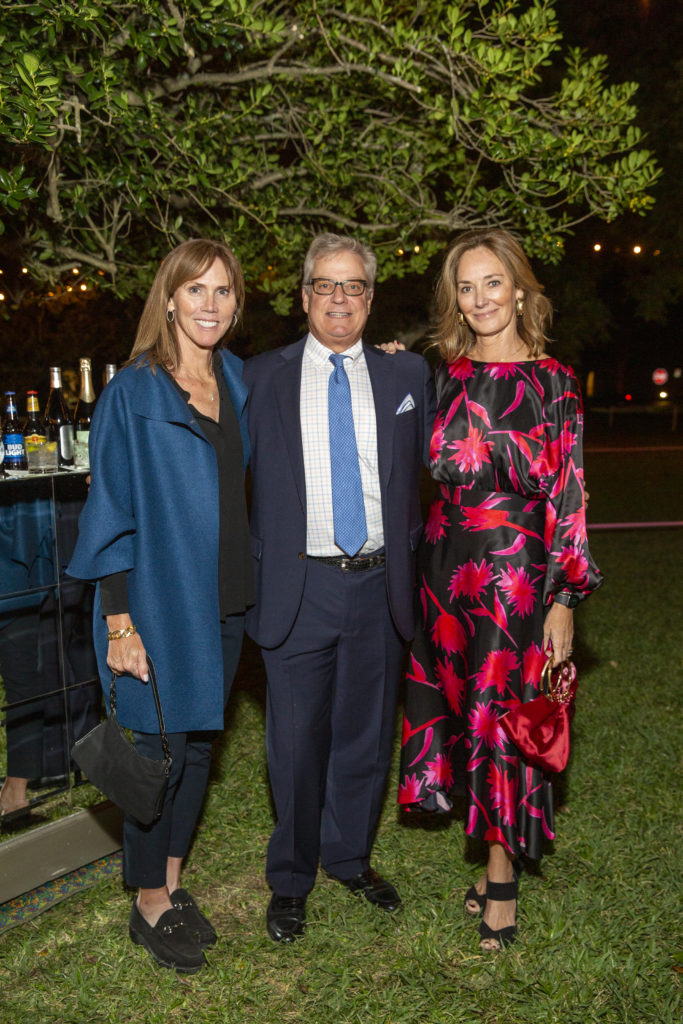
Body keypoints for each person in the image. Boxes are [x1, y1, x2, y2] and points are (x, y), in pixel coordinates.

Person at [398, 228, 603, 951]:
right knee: (463, 714)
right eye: (466, 286)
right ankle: (486, 851)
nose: (480, 298)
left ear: (518, 290)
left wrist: (564, 599)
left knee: (500, 719)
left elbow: (570, 496)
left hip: (514, 574)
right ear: (454, 299)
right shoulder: (441, 376)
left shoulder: (554, 382)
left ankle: (500, 876)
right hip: (443, 571)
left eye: (493, 282)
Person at [244, 232, 436, 942]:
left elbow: (440, 462)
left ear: (370, 298)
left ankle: (349, 858)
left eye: (353, 286)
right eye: (325, 284)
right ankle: (291, 878)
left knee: (364, 737)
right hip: (299, 586)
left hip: (381, 584)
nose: (339, 298)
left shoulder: (406, 373)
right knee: (295, 744)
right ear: (304, 297)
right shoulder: (257, 376)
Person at [67, 239, 252, 973]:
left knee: (197, 746)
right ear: (169, 300)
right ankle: (146, 901)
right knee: (155, 755)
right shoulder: (133, 392)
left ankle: (171, 884)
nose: (209, 304)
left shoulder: (236, 379)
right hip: (156, 601)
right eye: (194, 289)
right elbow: (108, 508)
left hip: (227, 598)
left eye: (223, 291)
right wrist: (119, 624)